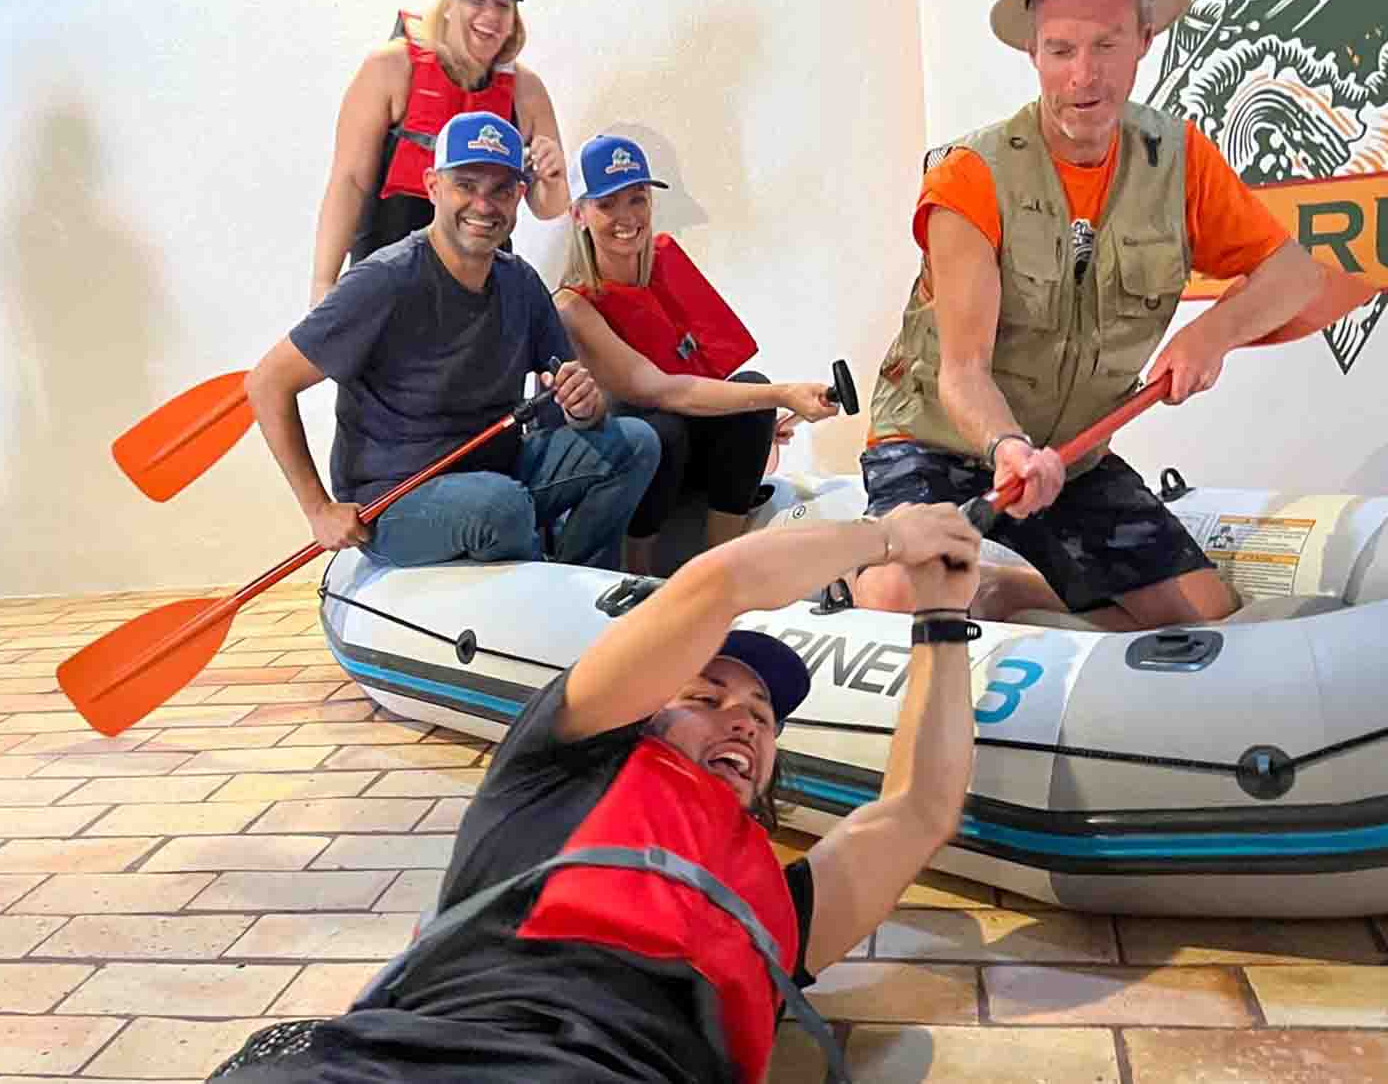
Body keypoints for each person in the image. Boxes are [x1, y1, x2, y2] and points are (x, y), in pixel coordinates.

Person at [210, 502, 985, 1083]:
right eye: (706, 696)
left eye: (761, 715)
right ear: (641, 709)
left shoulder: (782, 914)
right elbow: (720, 584)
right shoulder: (559, 765)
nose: (745, 721)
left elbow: (921, 808)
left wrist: (944, 615)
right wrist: (886, 537)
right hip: (426, 1055)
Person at [854, 0, 1326, 630]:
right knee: (903, 595)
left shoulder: (1179, 160)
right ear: (1033, 53)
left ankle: (1009, 592)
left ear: (1144, 42)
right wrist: (1009, 447)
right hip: (937, 440)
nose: (1084, 75)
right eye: (1061, 50)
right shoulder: (970, 177)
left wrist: (1210, 335)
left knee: (1203, 616)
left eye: (1106, 44)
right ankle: (862, 574)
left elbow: (1295, 275)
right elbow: (962, 371)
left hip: (1072, 455)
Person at [247, 112, 658, 571]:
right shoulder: (383, 281)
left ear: (519, 196)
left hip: (500, 475)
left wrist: (584, 407)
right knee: (500, 505)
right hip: (395, 500)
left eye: (501, 189)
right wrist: (318, 509)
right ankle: (538, 591)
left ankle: (581, 579)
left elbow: (576, 404)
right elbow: (267, 383)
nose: (484, 204)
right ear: (433, 186)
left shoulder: (520, 282)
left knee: (637, 442)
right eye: (466, 185)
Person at [553, 133, 843, 575]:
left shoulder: (665, 260)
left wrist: (767, 414)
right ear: (579, 214)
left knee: (750, 393)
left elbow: (708, 375)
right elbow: (659, 391)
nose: (627, 217)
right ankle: (638, 574)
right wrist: (784, 394)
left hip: (684, 448)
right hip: (631, 462)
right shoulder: (572, 306)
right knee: (662, 429)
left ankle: (720, 567)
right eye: (607, 204)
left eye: (637, 199)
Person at [309, 0, 569, 306]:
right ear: (448, 6)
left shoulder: (527, 90)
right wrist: (323, 285)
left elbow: (549, 207)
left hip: (478, 284)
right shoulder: (390, 67)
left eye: (503, 4)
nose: (490, 15)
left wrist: (552, 178)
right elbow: (350, 182)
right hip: (387, 275)